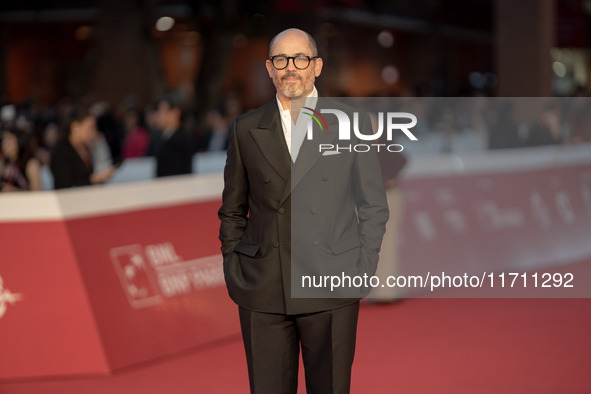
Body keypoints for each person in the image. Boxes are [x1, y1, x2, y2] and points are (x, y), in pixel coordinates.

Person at [218, 28, 388, 394]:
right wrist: (234, 266)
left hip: (331, 282)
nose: (290, 68)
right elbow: (232, 210)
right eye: (280, 60)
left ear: (317, 67)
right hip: (263, 288)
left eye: (300, 59)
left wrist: (363, 265)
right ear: (269, 68)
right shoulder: (246, 129)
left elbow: (373, 205)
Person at [50, 107, 115, 189]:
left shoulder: (85, 148)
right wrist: (94, 179)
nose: (93, 132)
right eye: (90, 127)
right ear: (75, 126)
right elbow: (65, 184)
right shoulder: (60, 151)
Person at [153, 96, 193, 177]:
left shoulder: (182, 139)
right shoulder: (162, 137)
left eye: (162, 111)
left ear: (175, 113)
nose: (158, 115)